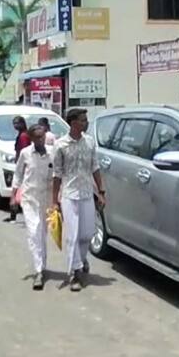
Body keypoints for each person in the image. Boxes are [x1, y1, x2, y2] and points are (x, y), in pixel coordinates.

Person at [52, 108, 105, 292]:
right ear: (73, 122)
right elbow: (57, 174)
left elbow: (95, 167)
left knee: (87, 234)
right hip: (69, 195)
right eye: (83, 120)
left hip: (86, 194)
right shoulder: (60, 145)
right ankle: (75, 272)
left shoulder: (89, 142)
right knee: (72, 235)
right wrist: (54, 200)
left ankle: (81, 260)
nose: (86, 123)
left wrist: (102, 191)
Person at [13, 125, 55, 289]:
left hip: (48, 199)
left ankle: (42, 265)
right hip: (30, 199)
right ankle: (38, 271)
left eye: (42, 136)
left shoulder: (53, 152)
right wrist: (13, 196)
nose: (40, 140)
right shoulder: (25, 154)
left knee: (43, 233)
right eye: (37, 137)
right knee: (34, 232)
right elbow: (18, 174)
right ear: (31, 138)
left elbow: (59, 173)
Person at [4, 116, 31, 223]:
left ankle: (13, 215)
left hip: (22, 166)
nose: (15, 126)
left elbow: (23, 151)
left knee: (16, 189)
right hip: (21, 165)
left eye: (17, 123)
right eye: (14, 124)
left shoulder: (24, 136)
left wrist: (21, 165)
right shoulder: (22, 134)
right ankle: (13, 214)